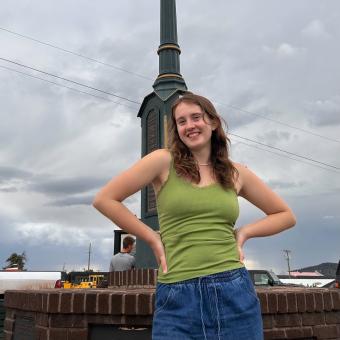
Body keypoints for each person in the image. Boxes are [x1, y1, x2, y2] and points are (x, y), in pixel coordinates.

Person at [93, 93, 296, 339]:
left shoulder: (236, 173)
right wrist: (152, 238)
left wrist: (244, 233)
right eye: (181, 121)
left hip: (234, 290)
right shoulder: (162, 161)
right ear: (176, 129)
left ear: (212, 122)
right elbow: (105, 199)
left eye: (196, 117)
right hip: (177, 296)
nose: (190, 125)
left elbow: (285, 215)